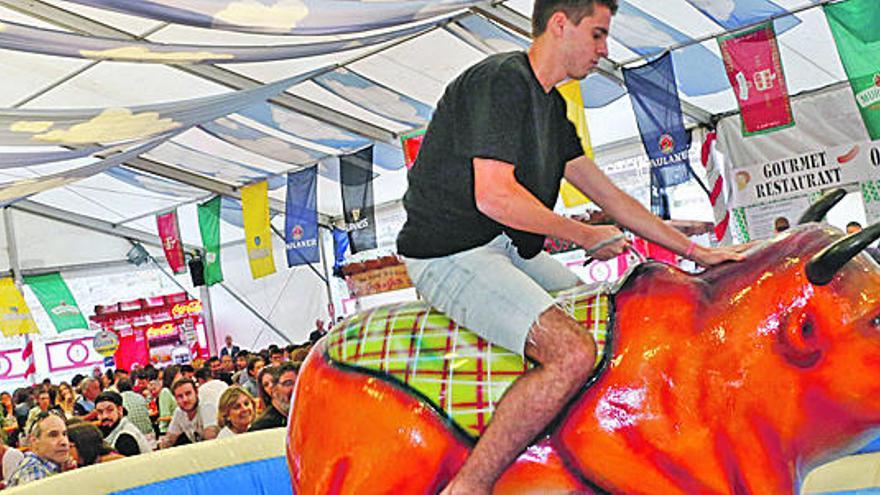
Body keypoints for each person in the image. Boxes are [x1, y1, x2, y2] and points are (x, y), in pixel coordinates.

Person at [395, 1, 745, 492]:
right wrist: (583, 235)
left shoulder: (551, 104)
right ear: (560, 24)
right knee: (572, 352)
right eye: (598, 35)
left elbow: (608, 194)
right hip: (449, 253)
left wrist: (697, 253)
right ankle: (468, 486)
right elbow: (493, 195)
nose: (604, 50)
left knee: (607, 324)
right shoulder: (501, 81)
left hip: (504, 248)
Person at [7, 411, 69, 487]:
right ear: (34, 441)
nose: (64, 442)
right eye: (53, 435)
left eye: (64, 434)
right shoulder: (34, 472)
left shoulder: (51, 466)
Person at [159, 378, 219, 448]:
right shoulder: (179, 412)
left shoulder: (207, 407)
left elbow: (211, 440)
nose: (185, 399)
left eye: (188, 393)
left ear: (196, 392)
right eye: (180, 396)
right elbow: (169, 439)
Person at [94, 392, 152, 457]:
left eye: (110, 410)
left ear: (120, 410)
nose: (105, 416)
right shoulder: (113, 429)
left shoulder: (125, 438)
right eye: (100, 412)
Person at [249, 363, 298, 431]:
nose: (296, 388)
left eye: (299, 382)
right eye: (288, 383)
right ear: (274, 389)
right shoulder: (262, 427)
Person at [157, 365, 180, 434]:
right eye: (178, 376)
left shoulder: (174, 391)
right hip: (168, 431)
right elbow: (164, 416)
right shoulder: (165, 392)